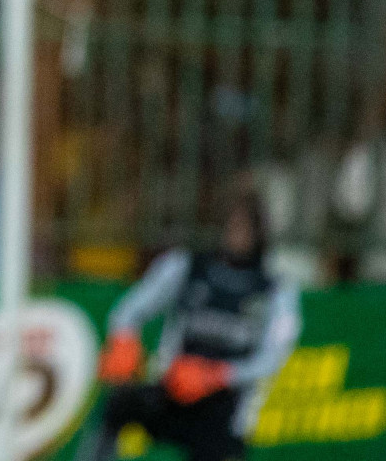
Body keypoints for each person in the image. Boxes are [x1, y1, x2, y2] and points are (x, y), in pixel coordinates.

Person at [81, 191, 301, 461]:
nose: (236, 235)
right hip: (174, 390)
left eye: (245, 228)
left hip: (225, 411)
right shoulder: (186, 267)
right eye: (231, 225)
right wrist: (124, 341)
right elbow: (129, 311)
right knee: (119, 403)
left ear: (259, 233)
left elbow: (272, 357)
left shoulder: (275, 289)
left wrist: (216, 375)